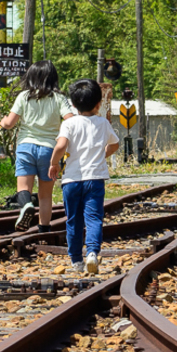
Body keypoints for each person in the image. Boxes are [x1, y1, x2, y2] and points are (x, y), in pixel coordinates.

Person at [49, 79, 119, 274]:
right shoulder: (103, 123)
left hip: (71, 181)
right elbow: (115, 144)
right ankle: (92, 254)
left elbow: (61, 146)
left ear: (73, 104)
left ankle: (76, 261)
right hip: (95, 179)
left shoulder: (69, 123)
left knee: (73, 220)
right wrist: (102, 154)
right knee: (94, 218)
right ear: (98, 104)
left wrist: (54, 163)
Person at [0, 61, 74, 232]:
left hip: (26, 147)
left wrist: (3, 121)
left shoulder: (24, 96)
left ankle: (26, 205)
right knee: (45, 195)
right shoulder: (59, 98)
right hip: (49, 150)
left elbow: (10, 123)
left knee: (23, 188)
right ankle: (44, 229)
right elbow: (70, 120)